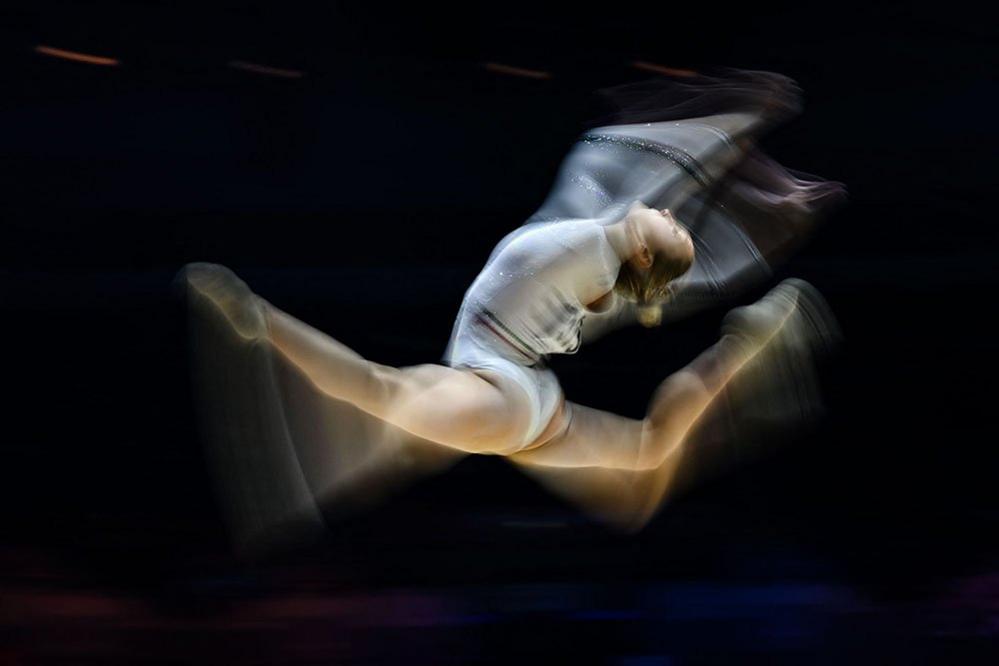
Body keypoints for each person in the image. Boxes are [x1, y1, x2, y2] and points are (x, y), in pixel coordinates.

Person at [181, 71, 843, 547]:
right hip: (510, 385)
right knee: (641, 471)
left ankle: (263, 321)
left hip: (496, 385)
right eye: (674, 223)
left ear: (644, 256)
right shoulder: (604, 252)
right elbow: (664, 179)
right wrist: (758, 153)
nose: (670, 215)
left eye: (669, 229)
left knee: (377, 395)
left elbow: (666, 169)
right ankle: (745, 345)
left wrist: (742, 121)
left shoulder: (599, 240)